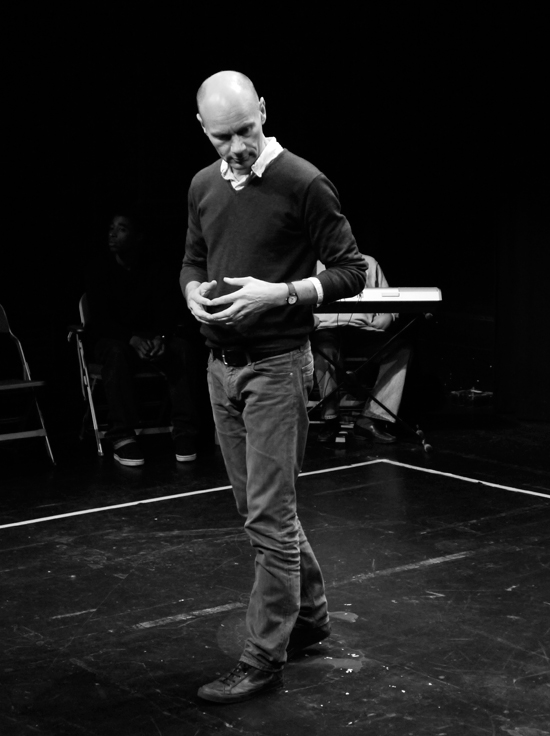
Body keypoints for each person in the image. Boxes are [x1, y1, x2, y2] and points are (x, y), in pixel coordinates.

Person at [180, 70, 367, 704]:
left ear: (264, 109)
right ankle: (310, 617)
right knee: (263, 512)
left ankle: (264, 658)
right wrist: (191, 293)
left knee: (269, 516)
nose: (236, 148)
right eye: (222, 137)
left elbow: (352, 271)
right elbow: (194, 257)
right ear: (203, 131)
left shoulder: (302, 181)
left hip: (277, 367)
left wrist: (283, 292)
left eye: (246, 130)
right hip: (221, 368)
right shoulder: (204, 185)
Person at [85, 207, 208, 466]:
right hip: (117, 341)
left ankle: (185, 431)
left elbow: (168, 309)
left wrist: (161, 337)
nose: (113, 234)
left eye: (122, 229)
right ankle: (122, 435)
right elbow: (99, 321)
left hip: (152, 339)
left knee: (182, 348)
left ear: (138, 237)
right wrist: (131, 339)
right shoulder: (101, 271)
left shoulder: (154, 269)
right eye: (111, 229)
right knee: (115, 353)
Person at [312, 254, 412, 443]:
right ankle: (330, 417)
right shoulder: (308, 262)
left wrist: (389, 316)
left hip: (362, 329)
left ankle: (373, 417)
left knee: (400, 348)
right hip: (323, 329)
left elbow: (391, 301)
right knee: (324, 348)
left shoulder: (369, 262)